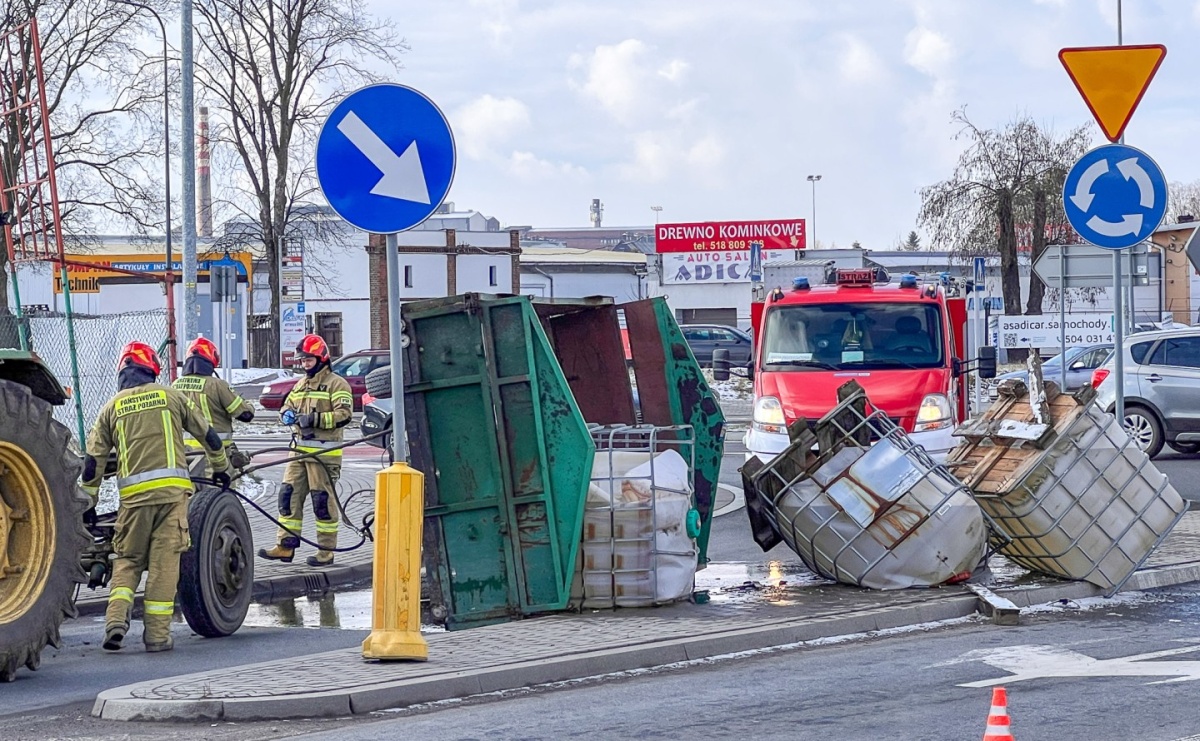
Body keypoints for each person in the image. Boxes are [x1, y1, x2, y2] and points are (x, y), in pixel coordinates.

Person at [81, 341, 231, 653]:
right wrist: (221, 468)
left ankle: (115, 623)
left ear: (123, 370)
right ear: (151, 369)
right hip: (172, 498)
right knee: (164, 566)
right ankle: (157, 638)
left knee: (127, 561)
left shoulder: (112, 407)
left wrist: (88, 503)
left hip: (134, 502)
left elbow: (93, 460)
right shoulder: (170, 396)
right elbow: (208, 435)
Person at [257, 334, 353, 567]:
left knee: (322, 503)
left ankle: (326, 551)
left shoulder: (337, 384)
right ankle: (285, 547)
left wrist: (313, 418)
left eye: (308, 360)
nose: (304, 364)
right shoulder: (301, 384)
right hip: (298, 453)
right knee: (288, 497)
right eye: (302, 360)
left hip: (323, 455)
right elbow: (287, 407)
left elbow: (344, 415)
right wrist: (285, 415)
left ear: (321, 358)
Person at [172, 337, 255, 475]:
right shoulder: (217, 385)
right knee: (220, 494)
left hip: (185, 455)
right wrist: (247, 405)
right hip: (215, 454)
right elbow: (245, 415)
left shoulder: (175, 386)